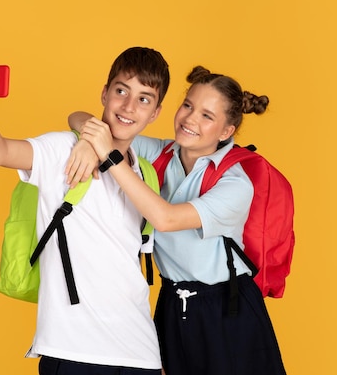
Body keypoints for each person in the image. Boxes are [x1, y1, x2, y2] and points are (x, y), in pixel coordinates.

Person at [0, 47, 170, 375]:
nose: (129, 107)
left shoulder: (145, 173)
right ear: (104, 94)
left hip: (140, 354)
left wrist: (154, 360)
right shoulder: (63, 149)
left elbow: (127, 268)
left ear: (156, 113)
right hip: (72, 349)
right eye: (121, 91)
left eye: (144, 99)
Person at [67, 66, 286, 375]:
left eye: (207, 116)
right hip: (173, 304)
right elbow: (86, 119)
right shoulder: (161, 152)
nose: (190, 119)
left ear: (226, 131)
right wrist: (88, 142)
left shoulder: (236, 184)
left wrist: (107, 154)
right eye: (188, 106)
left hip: (226, 308)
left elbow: (165, 219)